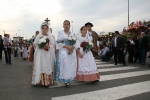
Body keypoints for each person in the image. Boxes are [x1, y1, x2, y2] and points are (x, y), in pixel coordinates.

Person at [31, 22, 53, 88]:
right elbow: (34, 44)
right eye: (43, 28)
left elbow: (53, 45)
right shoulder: (39, 36)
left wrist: (48, 47)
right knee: (40, 66)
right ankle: (40, 81)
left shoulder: (49, 37)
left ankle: (47, 82)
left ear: (48, 29)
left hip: (47, 54)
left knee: (46, 66)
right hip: (40, 54)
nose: (44, 30)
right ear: (41, 29)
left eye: (46, 29)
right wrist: (40, 46)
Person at [56, 20, 77, 88]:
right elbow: (58, 43)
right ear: (63, 25)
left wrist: (73, 47)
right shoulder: (60, 33)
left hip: (71, 52)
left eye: (68, 24)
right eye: (65, 24)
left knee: (70, 66)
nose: (66, 25)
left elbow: (75, 43)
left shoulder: (72, 34)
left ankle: (69, 80)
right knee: (64, 66)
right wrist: (67, 46)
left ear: (70, 25)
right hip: (64, 52)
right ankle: (65, 80)